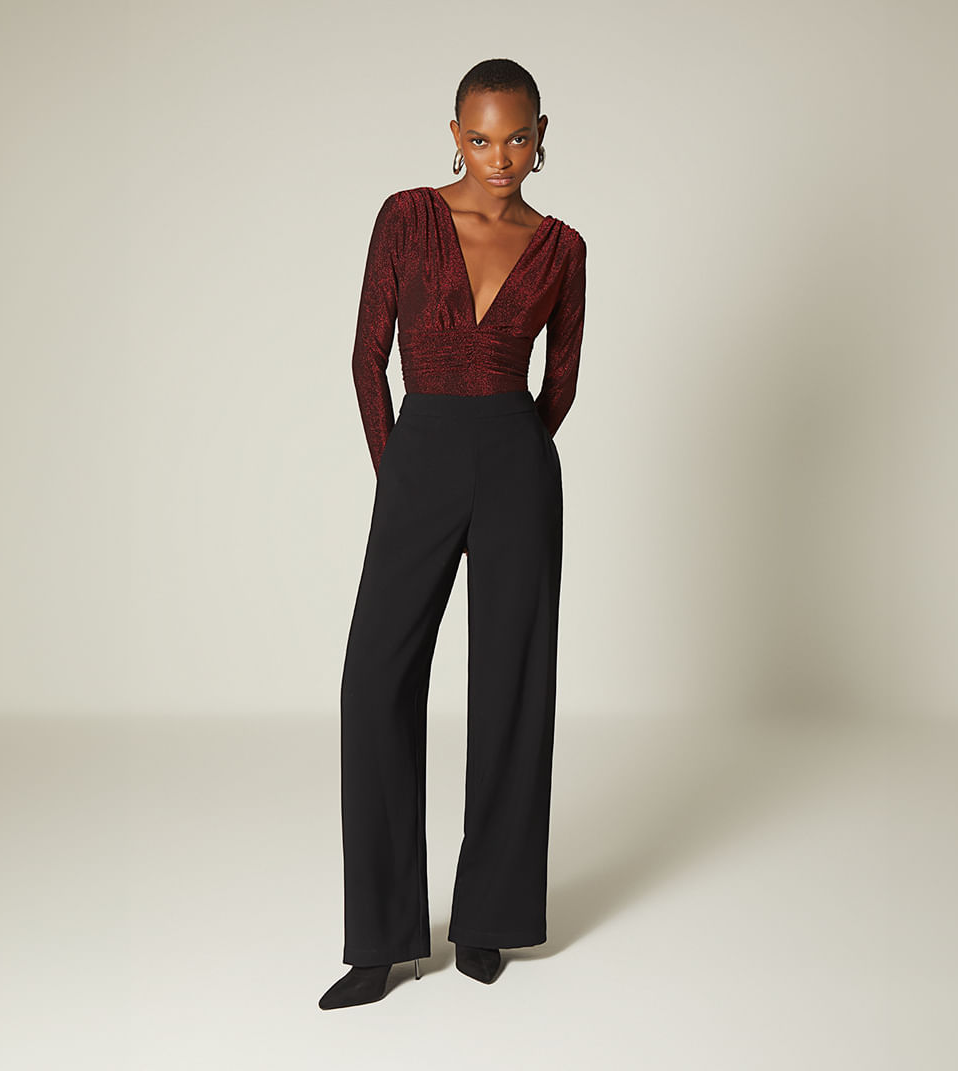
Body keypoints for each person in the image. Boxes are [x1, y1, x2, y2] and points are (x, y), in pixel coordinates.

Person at [319, 57, 587, 1010]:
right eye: (480, 139)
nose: (499, 158)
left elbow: (561, 381)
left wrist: (513, 457)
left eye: (516, 138)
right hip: (420, 454)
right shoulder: (406, 217)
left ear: (541, 134)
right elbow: (367, 356)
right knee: (374, 680)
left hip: (517, 461)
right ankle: (381, 938)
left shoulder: (561, 247)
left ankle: (487, 919)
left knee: (512, 685)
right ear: (455, 136)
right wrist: (401, 470)